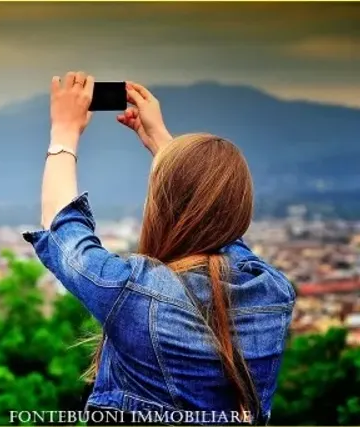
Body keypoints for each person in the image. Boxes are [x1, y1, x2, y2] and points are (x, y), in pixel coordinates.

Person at [22, 71, 296, 425]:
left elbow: (62, 226)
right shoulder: (273, 292)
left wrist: (63, 132)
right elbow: (217, 223)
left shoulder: (133, 294)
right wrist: (164, 145)